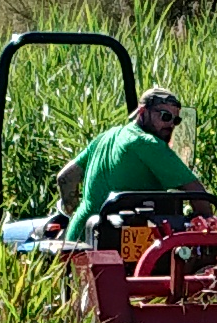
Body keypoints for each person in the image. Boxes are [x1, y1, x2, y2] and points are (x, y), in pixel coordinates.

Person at [45, 89, 206, 231]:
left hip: (80, 237)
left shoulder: (106, 137)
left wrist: (70, 213)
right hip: (113, 244)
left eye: (175, 120)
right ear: (142, 112)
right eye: (165, 116)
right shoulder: (149, 144)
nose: (171, 124)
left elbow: (66, 177)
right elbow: (197, 193)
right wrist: (212, 234)